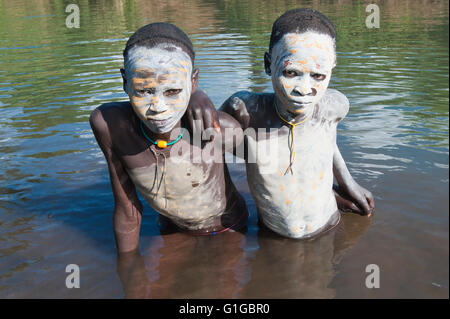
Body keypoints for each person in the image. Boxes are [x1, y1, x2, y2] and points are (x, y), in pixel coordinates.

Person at [192, 8, 374, 239]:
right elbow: (206, 143)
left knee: (327, 272)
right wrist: (196, 98)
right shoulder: (246, 110)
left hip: (328, 223)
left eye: (317, 75)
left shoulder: (333, 106)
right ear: (269, 64)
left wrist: (348, 183)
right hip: (273, 231)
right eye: (291, 72)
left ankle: (333, 197)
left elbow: (329, 141)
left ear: (332, 67)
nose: (303, 88)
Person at [89, 23, 248, 253]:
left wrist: (197, 95)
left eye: (173, 91)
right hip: (170, 229)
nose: (158, 108)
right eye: (144, 91)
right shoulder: (110, 126)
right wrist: (127, 273)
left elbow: (266, 166)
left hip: (227, 229)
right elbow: (127, 210)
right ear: (124, 81)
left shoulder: (218, 129)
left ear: (192, 82)